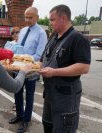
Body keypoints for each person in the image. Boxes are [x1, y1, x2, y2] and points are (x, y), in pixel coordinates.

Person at [39, 5, 91, 133]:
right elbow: (43, 60)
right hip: (50, 94)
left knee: (63, 129)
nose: (50, 23)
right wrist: (30, 66)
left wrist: (54, 72)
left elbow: (84, 67)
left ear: (63, 18)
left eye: (52, 19)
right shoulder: (53, 37)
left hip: (66, 97)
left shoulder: (78, 39)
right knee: (48, 125)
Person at [8, 7, 47, 133]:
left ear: (37, 17)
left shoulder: (41, 33)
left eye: (30, 17)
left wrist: (24, 58)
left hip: (30, 70)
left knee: (29, 96)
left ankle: (26, 120)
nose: (27, 20)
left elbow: (39, 55)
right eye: (26, 17)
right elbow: (19, 47)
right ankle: (19, 115)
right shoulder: (23, 30)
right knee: (17, 92)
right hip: (17, 68)